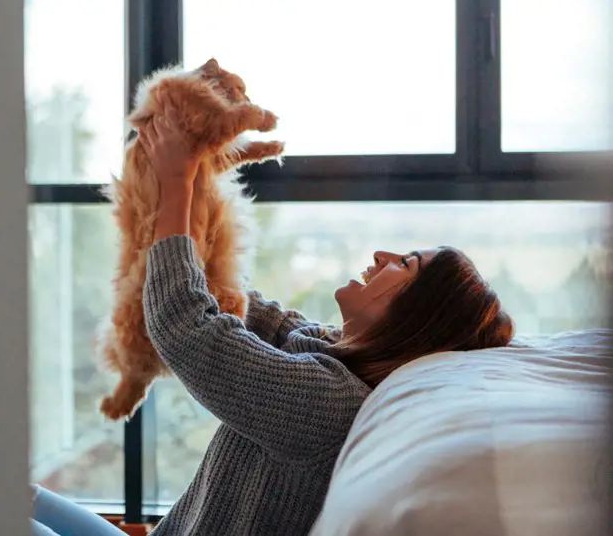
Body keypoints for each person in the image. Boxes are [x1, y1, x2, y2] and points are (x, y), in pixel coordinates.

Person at [30, 106, 515, 536]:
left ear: (418, 317)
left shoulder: (330, 401)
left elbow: (186, 327)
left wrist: (175, 184)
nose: (381, 254)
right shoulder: (323, 347)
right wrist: (194, 172)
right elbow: (233, 303)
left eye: (405, 264)